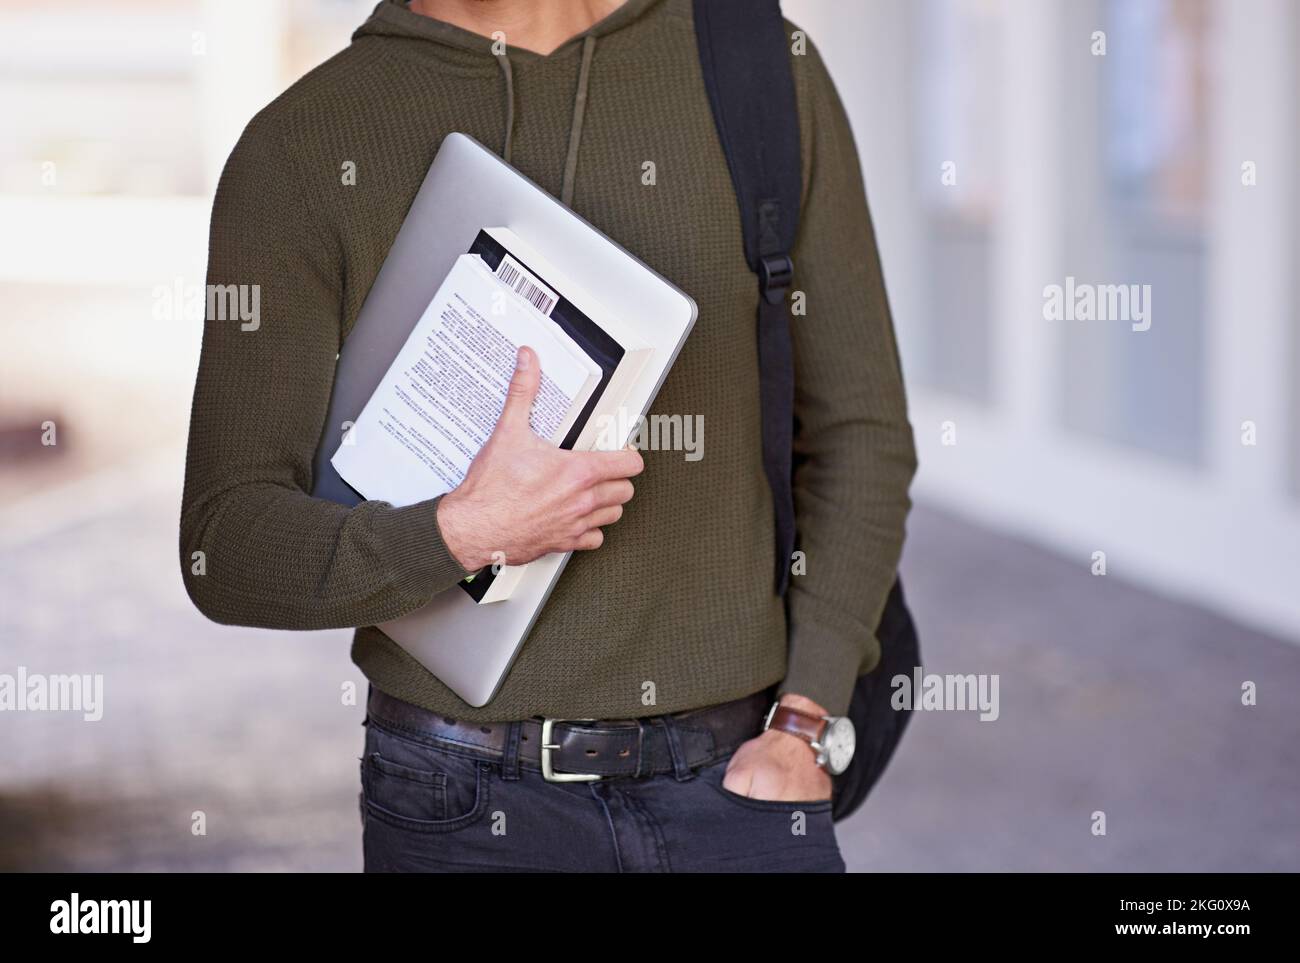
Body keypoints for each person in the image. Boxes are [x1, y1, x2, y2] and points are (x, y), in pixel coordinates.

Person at [180, 0, 916, 872]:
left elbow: (861, 433)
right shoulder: (304, 147)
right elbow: (225, 545)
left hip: (737, 784)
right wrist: (459, 533)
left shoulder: (755, 64)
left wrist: (807, 718)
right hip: (457, 799)